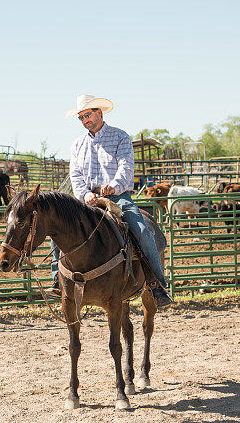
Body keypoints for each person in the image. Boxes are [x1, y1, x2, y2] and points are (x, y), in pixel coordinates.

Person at [47, 94, 174, 308]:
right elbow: (76, 176)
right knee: (59, 229)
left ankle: (157, 284)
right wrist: (86, 194)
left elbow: (126, 168)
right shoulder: (77, 145)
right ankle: (57, 282)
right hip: (87, 201)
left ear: (99, 113)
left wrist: (113, 186)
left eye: (87, 115)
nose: (85, 120)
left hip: (117, 197)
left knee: (142, 231)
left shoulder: (120, 137)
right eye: (81, 117)